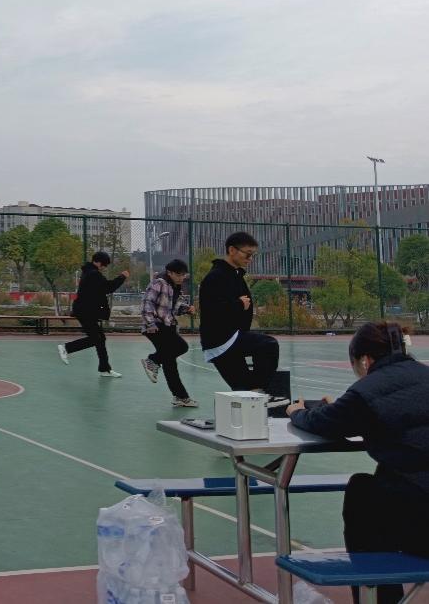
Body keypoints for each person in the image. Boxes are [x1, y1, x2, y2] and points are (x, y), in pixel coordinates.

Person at [287, 322, 429, 604]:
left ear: (364, 360)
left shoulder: (366, 392)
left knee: (362, 492)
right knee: (389, 479)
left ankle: (377, 597)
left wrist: (296, 412)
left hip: (419, 525)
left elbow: (322, 423)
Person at [197, 232, 287, 410]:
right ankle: (259, 392)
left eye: (253, 255)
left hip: (227, 341)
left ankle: (255, 395)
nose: (250, 259)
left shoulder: (233, 274)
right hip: (223, 339)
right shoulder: (216, 276)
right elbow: (210, 309)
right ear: (232, 250)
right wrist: (238, 304)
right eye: (247, 254)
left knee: (244, 392)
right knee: (268, 345)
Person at [58, 251, 128, 377]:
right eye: (104, 265)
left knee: (100, 339)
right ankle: (66, 348)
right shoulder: (93, 274)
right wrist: (122, 277)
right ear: (99, 262)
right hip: (85, 312)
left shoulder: (89, 272)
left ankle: (104, 369)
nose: (104, 267)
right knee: (96, 339)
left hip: (86, 311)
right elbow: (108, 287)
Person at [139, 259, 197, 408]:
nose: (182, 278)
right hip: (156, 326)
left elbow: (173, 308)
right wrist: (150, 323)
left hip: (167, 325)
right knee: (181, 347)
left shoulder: (175, 286)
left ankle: (181, 397)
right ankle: (152, 360)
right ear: (169, 272)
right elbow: (147, 303)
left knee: (169, 362)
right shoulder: (159, 283)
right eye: (179, 275)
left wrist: (186, 309)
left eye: (184, 275)